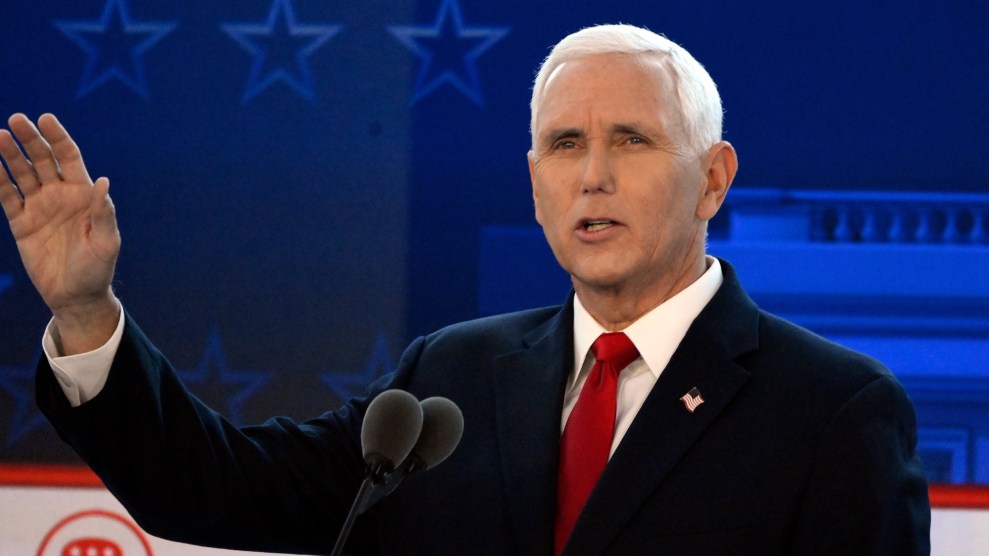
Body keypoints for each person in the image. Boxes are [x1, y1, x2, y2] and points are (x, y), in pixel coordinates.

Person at [1, 24, 930, 555]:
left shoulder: (831, 411)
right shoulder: (448, 378)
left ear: (714, 180)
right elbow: (217, 491)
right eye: (564, 145)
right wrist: (85, 312)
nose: (592, 176)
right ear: (534, 184)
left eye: (632, 141)